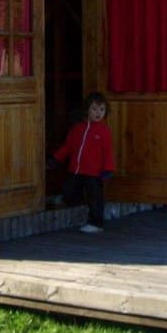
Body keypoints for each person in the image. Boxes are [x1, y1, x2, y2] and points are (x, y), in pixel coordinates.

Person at [48, 92, 114, 233]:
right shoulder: (77, 129)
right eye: (94, 109)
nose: (98, 113)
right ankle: (67, 199)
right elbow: (68, 147)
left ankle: (96, 223)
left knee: (95, 198)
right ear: (87, 110)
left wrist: (108, 169)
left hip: (94, 173)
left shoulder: (104, 131)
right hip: (76, 170)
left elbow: (108, 152)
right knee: (69, 191)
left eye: (102, 110)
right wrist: (55, 159)